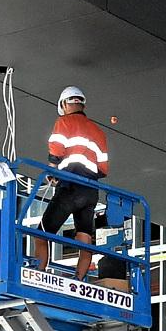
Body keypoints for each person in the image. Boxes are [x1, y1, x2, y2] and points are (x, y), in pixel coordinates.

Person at [42, 86, 109, 279]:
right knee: (84, 238)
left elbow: (56, 148)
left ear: (64, 104)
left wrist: (53, 170)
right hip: (90, 190)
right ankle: (79, 279)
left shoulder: (64, 122)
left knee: (42, 234)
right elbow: (103, 168)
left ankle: (39, 273)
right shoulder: (98, 131)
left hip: (70, 186)